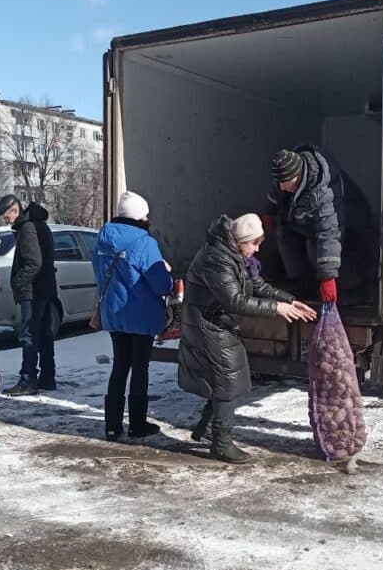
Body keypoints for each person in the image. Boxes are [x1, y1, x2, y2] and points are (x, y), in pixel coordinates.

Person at [179, 214, 316, 464]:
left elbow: (257, 286)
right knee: (227, 381)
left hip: (217, 323)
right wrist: (276, 309)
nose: (257, 248)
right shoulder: (216, 258)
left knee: (226, 378)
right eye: (254, 243)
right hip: (206, 325)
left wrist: (288, 300)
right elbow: (235, 300)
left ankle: (207, 428)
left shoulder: (235, 256)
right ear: (240, 241)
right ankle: (221, 443)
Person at [94, 191, 174, 442]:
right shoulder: (144, 242)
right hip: (141, 315)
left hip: (113, 313)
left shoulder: (102, 238)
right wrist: (168, 272)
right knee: (140, 368)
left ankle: (112, 425)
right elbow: (162, 285)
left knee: (119, 367)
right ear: (140, 215)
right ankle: (137, 424)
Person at [265, 146, 371, 305]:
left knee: (316, 245)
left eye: (286, 183)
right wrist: (267, 218)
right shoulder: (284, 177)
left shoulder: (325, 189)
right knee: (284, 234)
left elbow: (328, 232)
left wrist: (327, 278)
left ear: (299, 175)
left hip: (350, 221)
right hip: (310, 222)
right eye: (279, 182)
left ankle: (349, 289)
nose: (282, 187)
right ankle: (302, 285)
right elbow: (274, 201)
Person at [0, 194, 57, 396]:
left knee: (29, 335)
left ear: (15, 210)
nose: (6, 220)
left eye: (6, 216)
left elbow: (34, 262)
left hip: (33, 290)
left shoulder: (27, 228)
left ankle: (28, 379)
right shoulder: (39, 225)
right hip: (46, 288)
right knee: (44, 334)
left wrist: (17, 282)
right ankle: (47, 378)